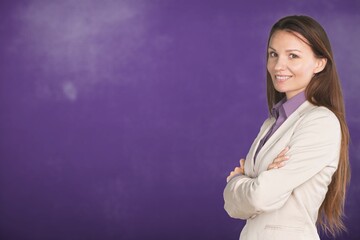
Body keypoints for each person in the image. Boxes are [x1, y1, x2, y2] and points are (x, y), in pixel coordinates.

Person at [223, 15, 350, 240]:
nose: (278, 66)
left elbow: (258, 198)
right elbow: (233, 207)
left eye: (293, 56)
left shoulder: (321, 122)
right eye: (274, 54)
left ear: (319, 63)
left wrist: (237, 181)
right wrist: (256, 184)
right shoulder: (273, 122)